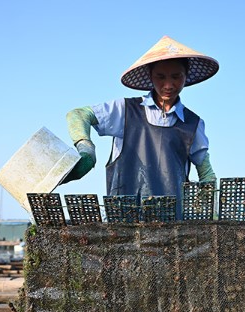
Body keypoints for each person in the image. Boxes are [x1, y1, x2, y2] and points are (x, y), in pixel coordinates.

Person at [63, 36, 219, 218]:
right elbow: (79, 115)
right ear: (150, 77)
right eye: (160, 77)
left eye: (176, 77)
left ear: (186, 76)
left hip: (173, 224)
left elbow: (206, 174)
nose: (168, 85)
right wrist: (86, 148)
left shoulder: (193, 124)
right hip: (123, 220)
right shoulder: (125, 110)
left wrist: (211, 213)